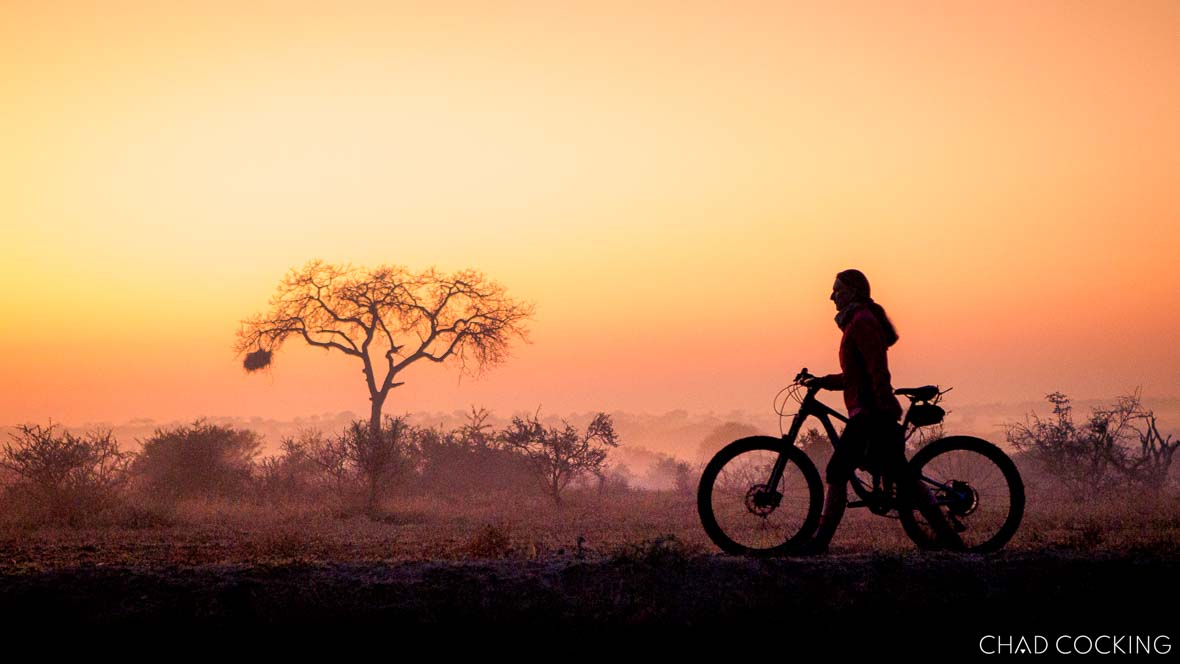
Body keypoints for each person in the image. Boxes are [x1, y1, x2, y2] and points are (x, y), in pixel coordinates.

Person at [798, 269, 964, 555]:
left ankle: (820, 542)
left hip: (871, 413)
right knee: (903, 475)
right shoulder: (857, 321)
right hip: (870, 410)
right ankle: (948, 537)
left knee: (838, 471)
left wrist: (882, 407)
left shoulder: (861, 322)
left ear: (853, 292)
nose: (831, 296)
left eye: (837, 290)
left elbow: (877, 369)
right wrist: (824, 381)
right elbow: (855, 375)